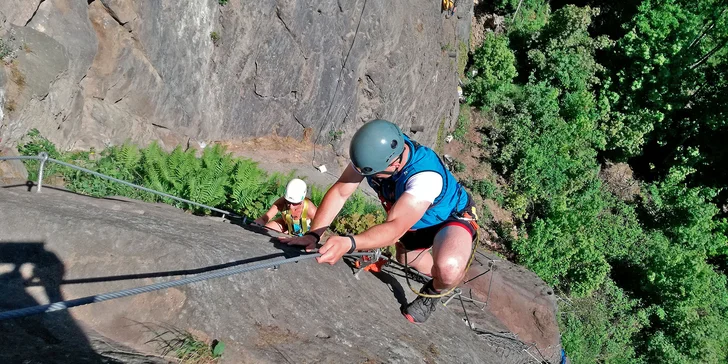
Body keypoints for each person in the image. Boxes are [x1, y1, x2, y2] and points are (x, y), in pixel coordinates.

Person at [280, 119, 479, 324]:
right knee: (405, 260)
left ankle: (438, 287)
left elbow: (394, 229)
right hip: (413, 221)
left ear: (394, 164)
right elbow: (341, 191)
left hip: (450, 216)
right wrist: (313, 234)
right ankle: (443, 279)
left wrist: (350, 242)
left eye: (373, 173)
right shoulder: (377, 155)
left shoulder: (424, 178)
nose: (369, 176)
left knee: (449, 268)